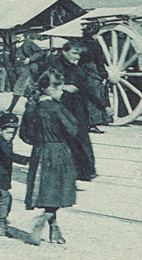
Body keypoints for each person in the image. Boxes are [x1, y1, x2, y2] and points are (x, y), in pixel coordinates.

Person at [20, 70, 78, 245]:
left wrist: (39, 142)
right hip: (58, 152)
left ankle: (54, 229)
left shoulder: (32, 108)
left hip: (40, 152)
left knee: (48, 193)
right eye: (60, 89)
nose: (62, 92)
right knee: (58, 192)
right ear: (51, 90)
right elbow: (72, 130)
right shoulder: (57, 108)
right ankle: (44, 220)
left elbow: (25, 135)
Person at [36, 40, 97, 181]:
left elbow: (87, 87)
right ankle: (73, 170)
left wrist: (104, 105)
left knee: (81, 136)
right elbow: (44, 81)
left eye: (79, 54)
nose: (77, 57)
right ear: (64, 51)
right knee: (65, 138)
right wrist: (64, 87)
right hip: (60, 106)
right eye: (74, 53)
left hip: (76, 106)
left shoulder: (76, 67)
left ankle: (87, 170)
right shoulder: (52, 62)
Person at [0, 113, 29, 236]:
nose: (12, 136)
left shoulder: (2, 140)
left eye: (14, 133)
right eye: (9, 133)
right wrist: (28, 160)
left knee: (0, 200)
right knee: (3, 199)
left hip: (0, 177)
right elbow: (9, 156)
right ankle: (0, 226)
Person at [79, 24, 112, 133]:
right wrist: (104, 73)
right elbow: (99, 60)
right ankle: (93, 123)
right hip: (92, 69)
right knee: (96, 95)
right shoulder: (95, 45)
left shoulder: (80, 44)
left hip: (82, 70)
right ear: (94, 33)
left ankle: (85, 122)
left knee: (84, 96)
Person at [6, 32, 44, 113]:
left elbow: (41, 52)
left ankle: (10, 109)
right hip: (17, 68)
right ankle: (38, 108)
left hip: (27, 67)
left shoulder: (29, 43)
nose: (16, 36)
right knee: (27, 90)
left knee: (19, 87)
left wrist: (30, 59)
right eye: (15, 34)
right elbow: (11, 57)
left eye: (19, 34)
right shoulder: (13, 45)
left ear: (23, 34)